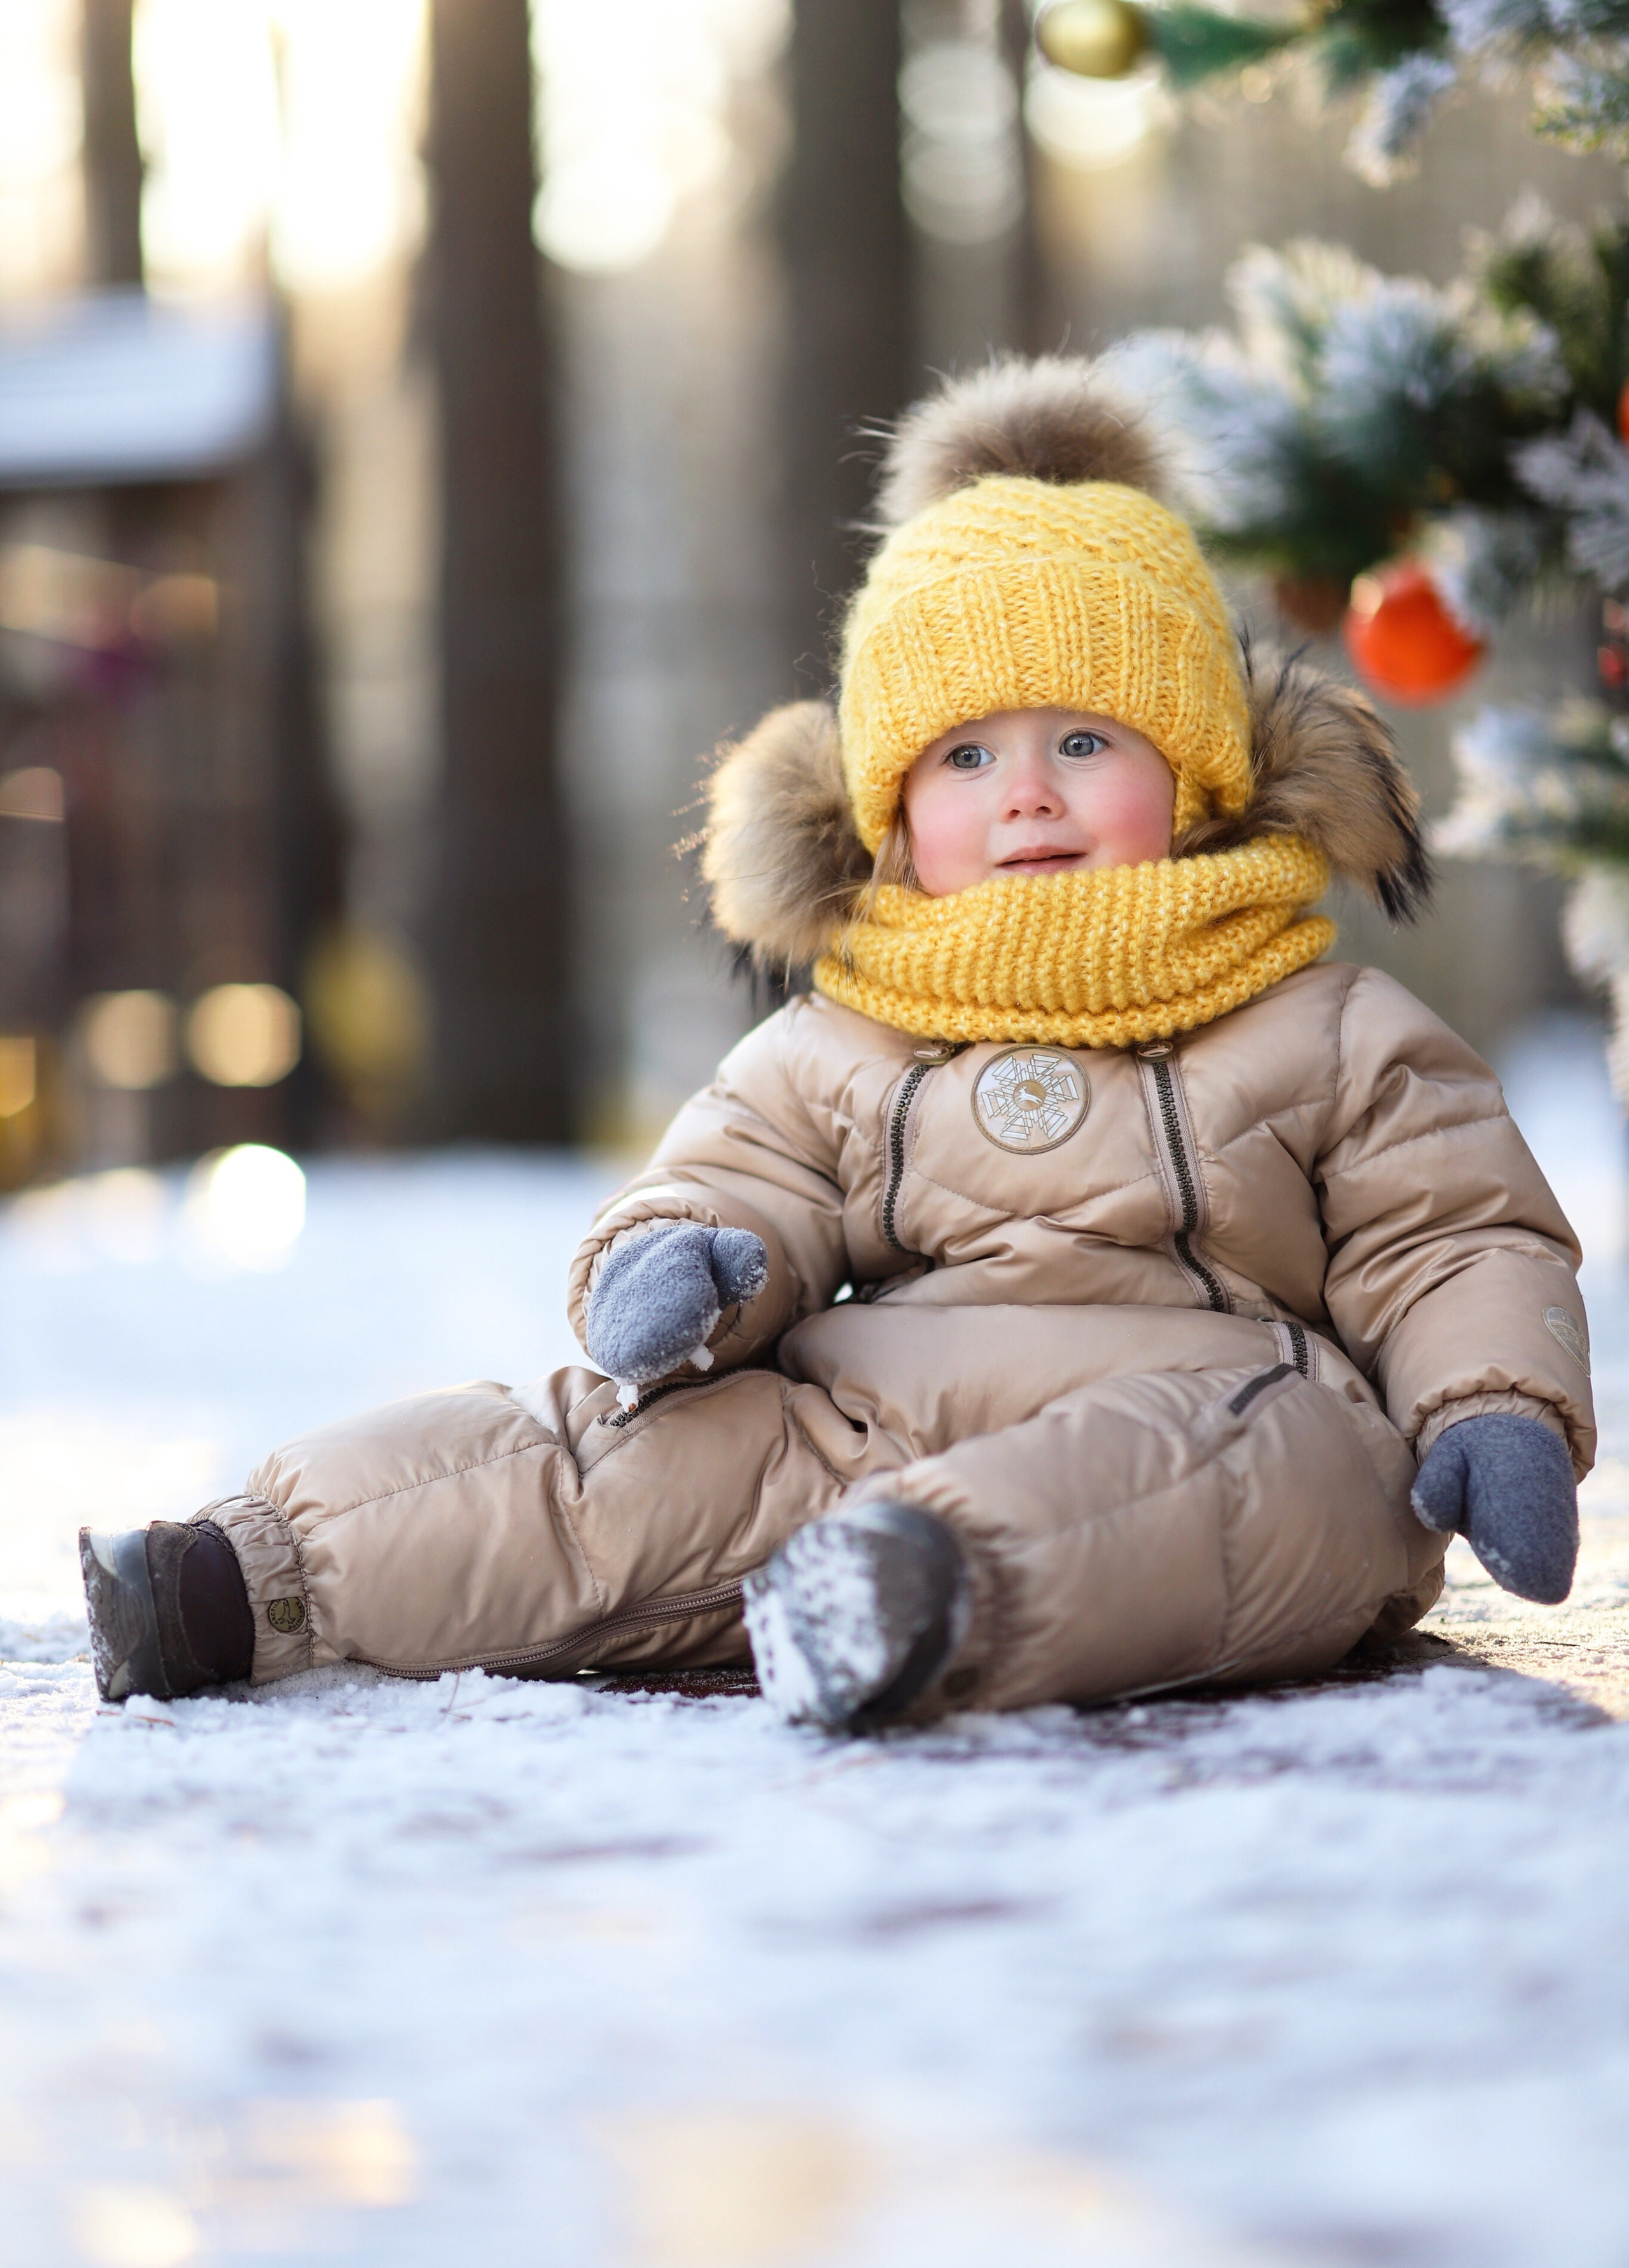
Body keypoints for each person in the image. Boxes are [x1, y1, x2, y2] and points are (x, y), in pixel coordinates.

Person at [80, 357, 1592, 1732]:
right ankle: (256, 1577)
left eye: (1083, 742)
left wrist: (1488, 1405)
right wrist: (682, 1262)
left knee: (1290, 1479)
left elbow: (1453, 1235)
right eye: (964, 756)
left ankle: (917, 1589)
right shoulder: (847, 1030)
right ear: (887, 809)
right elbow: (741, 1171)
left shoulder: (1322, 1021)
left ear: (1193, 782)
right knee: (623, 1456)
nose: (1025, 796)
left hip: (1219, 1398)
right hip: (860, 1418)